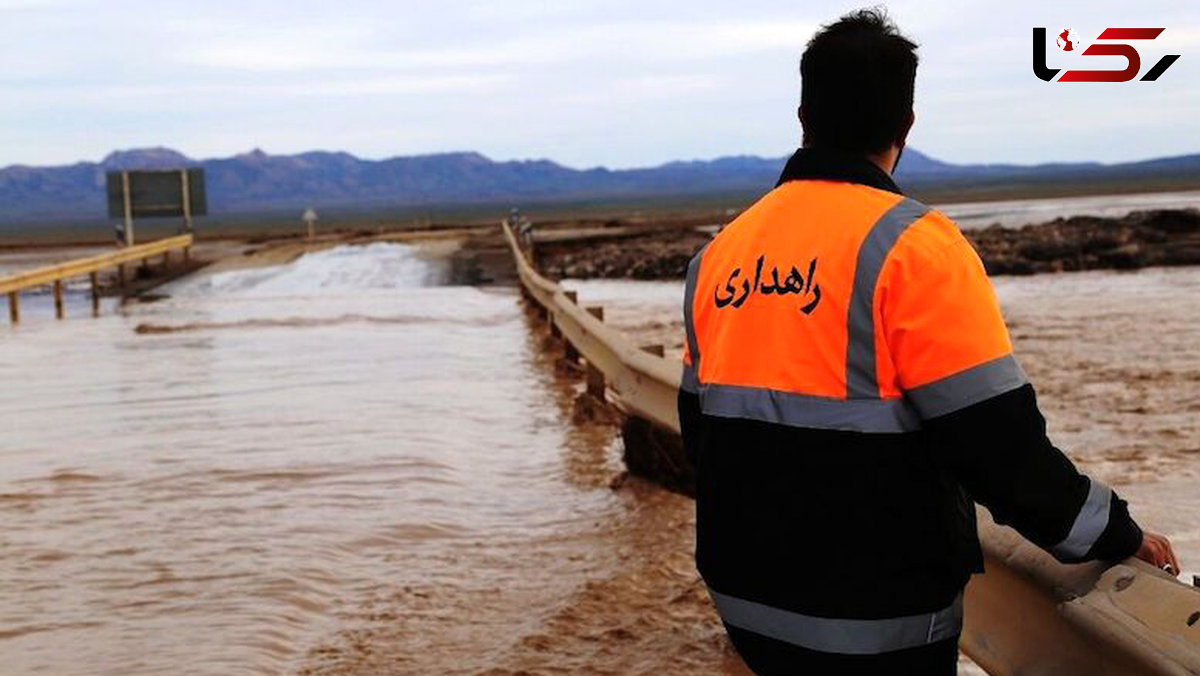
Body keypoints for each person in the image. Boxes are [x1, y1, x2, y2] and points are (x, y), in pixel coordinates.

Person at [677, 9, 1179, 675]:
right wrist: (1116, 533)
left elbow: (699, 429)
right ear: (905, 126)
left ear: (803, 116)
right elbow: (999, 448)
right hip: (878, 622)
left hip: (747, 603)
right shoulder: (915, 247)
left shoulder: (721, 254)